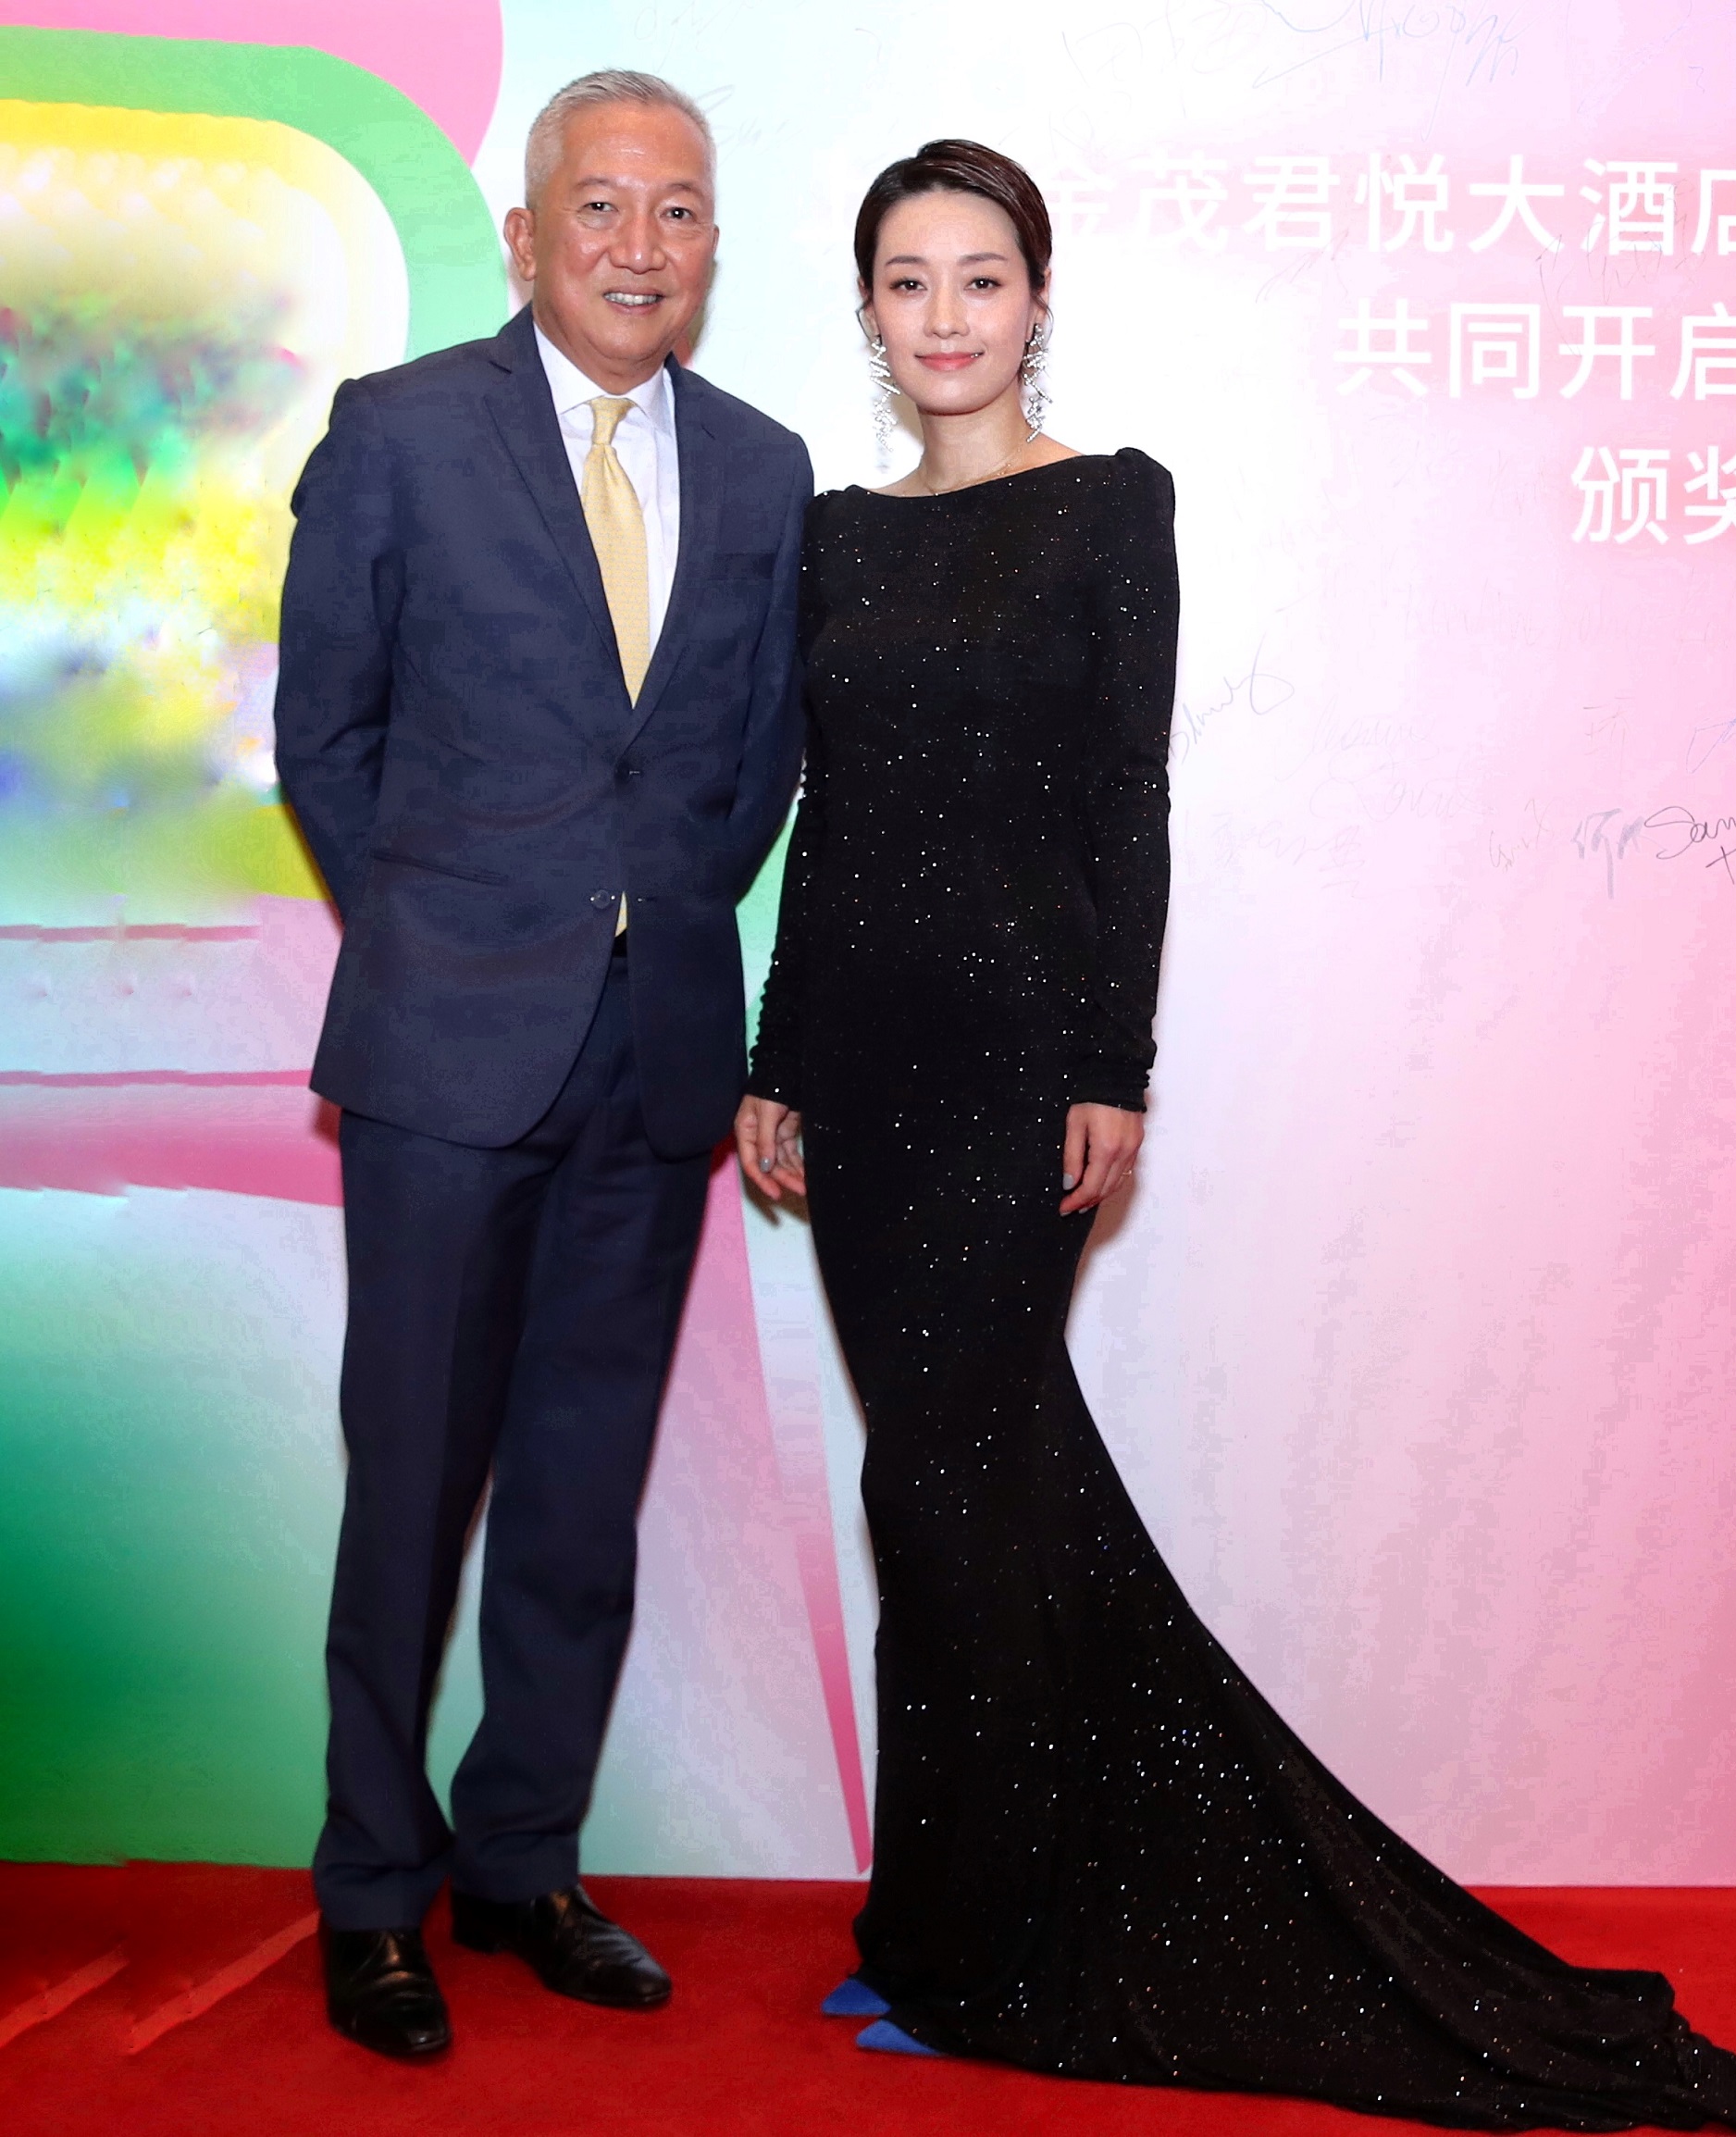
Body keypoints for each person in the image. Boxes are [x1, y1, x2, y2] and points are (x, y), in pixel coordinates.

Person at [735, 140, 1736, 2134]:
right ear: (866, 311)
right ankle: (941, 1922)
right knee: (935, 1495)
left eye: (979, 277)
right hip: (860, 1074)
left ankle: (1006, 1941)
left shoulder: (1110, 504)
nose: (945, 315)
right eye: (907, 280)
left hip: (1014, 1072)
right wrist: (778, 1054)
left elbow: (1126, 800)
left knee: (965, 1488)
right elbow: (826, 812)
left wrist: (1109, 1065)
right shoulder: (836, 537)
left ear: (1038, 300)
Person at [274, 70, 813, 2060]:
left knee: (580, 1497)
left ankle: (522, 1861)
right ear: (525, 234)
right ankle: (370, 1891)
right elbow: (323, 736)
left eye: (677, 211)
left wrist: (650, 927)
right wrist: (443, 933)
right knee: (410, 1487)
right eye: (601, 205)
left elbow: (753, 761)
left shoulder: (762, 470)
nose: (637, 246)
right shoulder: (400, 432)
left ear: (711, 245)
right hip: (442, 1058)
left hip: (651, 1064)